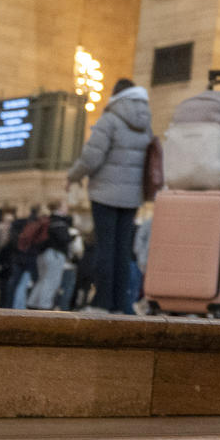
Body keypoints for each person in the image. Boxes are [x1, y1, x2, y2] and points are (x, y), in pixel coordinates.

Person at [67, 79, 152, 314]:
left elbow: (91, 157)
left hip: (105, 194)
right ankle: (121, 304)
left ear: (116, 95)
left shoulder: (111, 118)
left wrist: (73, 176)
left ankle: (102, 302)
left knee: (106, 249)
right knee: (123, 251)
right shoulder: (146, 122)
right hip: (132, 196)